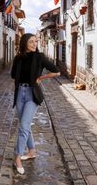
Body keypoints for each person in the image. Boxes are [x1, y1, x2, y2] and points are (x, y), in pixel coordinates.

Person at [11, 33, 60, 174]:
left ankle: (18, 157)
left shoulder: (40, 57)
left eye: (35, 42)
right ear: (24, 43)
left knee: (24, 126)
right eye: (31, 42)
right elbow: (13, 75)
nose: (34, 44)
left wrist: (41, 77)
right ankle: (32, 151)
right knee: (24, 125)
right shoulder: (18, 58)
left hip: (32, 95)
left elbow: (56, 72)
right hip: (20, 93)